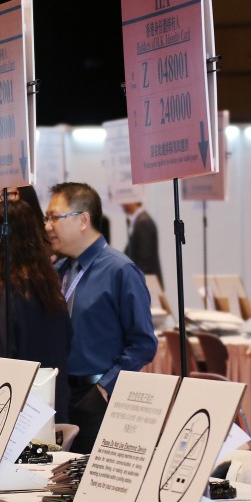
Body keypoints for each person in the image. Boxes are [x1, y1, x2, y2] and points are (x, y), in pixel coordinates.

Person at [45, 182, 157, 453]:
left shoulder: (120, 270)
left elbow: (143, 343)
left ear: (83, 219)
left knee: (87, 482)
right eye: (45, 218)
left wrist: (105, 389)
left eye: (54, 217)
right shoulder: (58, 270)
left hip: (96, 397)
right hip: (57, 394)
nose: (47, 226)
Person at [0, 201, 73, 420]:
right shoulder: (50, 287)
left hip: (16, 417)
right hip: (53, 409)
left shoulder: (2, 293)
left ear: (3, 240)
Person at [121, 201, 162, 286]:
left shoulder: (143, 222)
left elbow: (145, 257)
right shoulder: (140, 221)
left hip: (146, 282)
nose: (122, 205)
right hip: (144, 281)